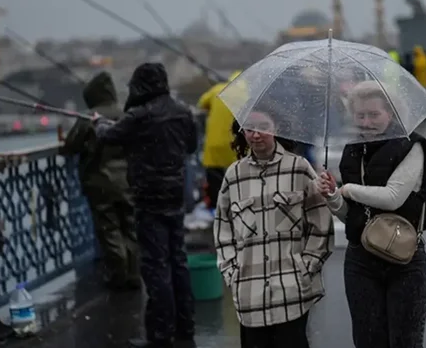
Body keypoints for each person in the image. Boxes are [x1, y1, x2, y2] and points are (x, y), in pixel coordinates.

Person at [316, 80, 426, 348]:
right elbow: (350, 216)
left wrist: (347, 189)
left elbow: (393, 198)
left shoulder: (413, 146)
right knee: (367, 341)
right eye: (360, 115)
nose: (366, 122)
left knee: (405, 342)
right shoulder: (352, 151)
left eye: (374, 114)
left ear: (391, 113)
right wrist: (332, 196)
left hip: (404, 257)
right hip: (361, 259)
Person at [93, 62, 198, 348]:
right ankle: (185, 327)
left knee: (156, 266)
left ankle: (160, 334)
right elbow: (190, 146)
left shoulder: (139, 115)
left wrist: (99, 122)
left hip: (148, 199)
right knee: (178, 261)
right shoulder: (182, 111)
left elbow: (108, 137)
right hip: (175, 196)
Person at [214, 107, 334, 348]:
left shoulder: (298, 167)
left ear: (276, 129)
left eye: (263, 128)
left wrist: (307, 267)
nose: (256, 134)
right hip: (250, 297)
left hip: (292, 294)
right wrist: (232, 273)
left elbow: (321, 222)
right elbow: (222, 228)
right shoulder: (234, 175)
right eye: (249, 128)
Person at [59, 72, 139, 291]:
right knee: (130, 226)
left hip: (99, 182)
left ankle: (118, 274)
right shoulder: (126, 114)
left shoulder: (88, 118)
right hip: (127, 181)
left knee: (109, 228)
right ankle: (134, 274)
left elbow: (70, 146)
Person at [198, 71, 241, 211]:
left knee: (215, 178)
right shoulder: (248, 94)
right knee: (237, 177)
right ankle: (235, 205)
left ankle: (217, 207)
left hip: (214, 143)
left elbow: (201, 103)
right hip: (236, 143)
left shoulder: (218, 90)